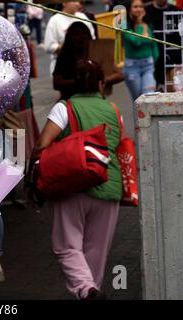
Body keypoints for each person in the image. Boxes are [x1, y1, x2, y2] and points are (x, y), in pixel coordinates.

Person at [34, 60, 123, 300]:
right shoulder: (114, 110)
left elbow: (42, 144)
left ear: (75, 82)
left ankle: (86, 290)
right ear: (101, 83)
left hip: (71, 184)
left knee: (67, 246)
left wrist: (32, 176)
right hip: (109, 187)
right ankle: (91, 291)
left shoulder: (65, 108)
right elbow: (120, 145)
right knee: (97, 251)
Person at [53, 22, 124, 100]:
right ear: (70, 37)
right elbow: (56, 83)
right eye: (76, 34)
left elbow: (120, 75)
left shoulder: (97, 52)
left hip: (95, 100)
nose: (81, 38)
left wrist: (102, 80)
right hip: (71, 99)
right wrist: (80, 82)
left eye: (84, 34)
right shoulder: (64, 56)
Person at [145, 0, 183, 91]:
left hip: (176, 56)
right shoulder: (146, 12)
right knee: (157, 94)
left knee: (179, 91)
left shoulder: (177, 11)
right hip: (154, 58)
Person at [43, 2, 96, 76]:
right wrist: (68, 46)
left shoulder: (83, 17)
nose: (78, 4)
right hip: (63, 69)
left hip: (84, 68)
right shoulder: (54, 20)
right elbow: (49, 46)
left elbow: (93, 40)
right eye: (74, 1)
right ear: (64, 3)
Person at [122, 0, 159, 100]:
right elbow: (137, 42)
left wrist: (154, 60)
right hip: (131, 67)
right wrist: (139, 24)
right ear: (129, 10)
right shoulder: (124, 26)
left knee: (149, 97)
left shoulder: (147, 23)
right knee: (138, 100)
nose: (139, 9)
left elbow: (153, 43)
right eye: (135, 6)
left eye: (141, 6)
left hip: (148, 66)